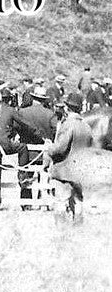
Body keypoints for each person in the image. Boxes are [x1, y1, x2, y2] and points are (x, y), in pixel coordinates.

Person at [47, 92, 95, 220]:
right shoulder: (87, 127)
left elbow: (60, 149)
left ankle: (61, 231)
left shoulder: (68, 124)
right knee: (78, 202)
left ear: (68, 108)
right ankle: (78, 230)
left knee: (61, 201)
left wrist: (49, 148)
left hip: (65, 171)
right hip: (81, 172)